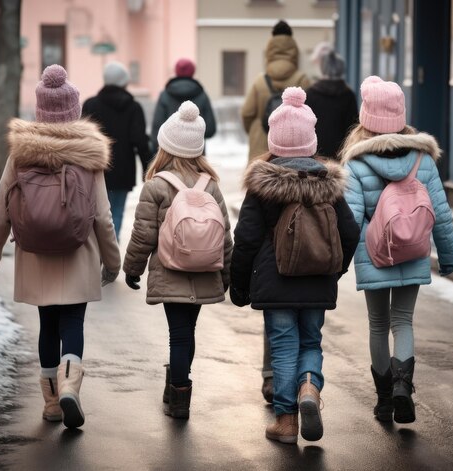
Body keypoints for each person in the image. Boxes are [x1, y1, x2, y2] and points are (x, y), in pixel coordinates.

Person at [0, 64, 121, 429]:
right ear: (73, 110)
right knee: (73, 320)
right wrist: (113, 262)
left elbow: (0, 214)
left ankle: (52, 403)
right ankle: (70, 384)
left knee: (47, 324)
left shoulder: (20, 155)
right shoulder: (89, 154)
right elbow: (103, 217)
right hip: (78, 253)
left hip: (35, 255)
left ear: (40, 110)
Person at [230, 87, 360, 443]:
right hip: (318, 280)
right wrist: (335, 268)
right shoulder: (328, 183)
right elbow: (349, 233)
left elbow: (247, 238)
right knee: (311, 342)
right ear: (311, 140)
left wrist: (238, 284)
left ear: (274, 139)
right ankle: (309, 389)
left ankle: (286, 422)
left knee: (284, 345)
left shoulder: (263, 183)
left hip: (276, 282)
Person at [340, 75, 453, 424]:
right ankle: (403, 387)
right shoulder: (423, 161)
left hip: (373, 255)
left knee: (378, 324)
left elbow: (348, 222)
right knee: (403, 321)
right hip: (414, 250)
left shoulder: (357, 164)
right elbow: (441, 214)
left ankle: (384, 401)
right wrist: (449, 257)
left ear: (366, 118)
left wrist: (339, 265)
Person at [123, 101, 233, 420]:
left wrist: (132, 269)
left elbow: (143, 234)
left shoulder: (157, 185)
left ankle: (179, 395)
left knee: (178, 333)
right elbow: (224, 234)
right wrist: (226, 275)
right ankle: (178, 386)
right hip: (204, 272)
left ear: (165, 147)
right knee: (189, 331)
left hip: (170, 271)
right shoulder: (210, 185)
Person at [240, 19, 311, 403]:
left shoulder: (260, 80)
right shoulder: (304, 77)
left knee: (270, 232)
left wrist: (239, 278)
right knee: (309, 332)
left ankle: (275, 384)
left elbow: (246, 115)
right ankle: (308, 386)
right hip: (305, 167)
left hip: (265, 162)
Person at [82, 61, 152, 241]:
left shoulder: (90, 105)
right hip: (123, 171)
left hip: (95, 170)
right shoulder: (133, 108)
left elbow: (82, 140)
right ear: (124, 82)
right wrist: (149, 171)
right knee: (117, 214)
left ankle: (98, 253)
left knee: (96, 215)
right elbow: (140, 141)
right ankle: (110, 255)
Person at [241, 20, 311, 163]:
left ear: (269, 50)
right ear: (294, 50)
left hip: (261, 146)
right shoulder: (302, 80)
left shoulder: (260, 81)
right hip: (293, 149)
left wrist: (259, 130)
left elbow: (246, 113)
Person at [150, 58, 216, 153]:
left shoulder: (165, 95)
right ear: (193, 72)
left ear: (176, 71)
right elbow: (210, 129)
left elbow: (157, 128)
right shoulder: (202, 95)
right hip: (196, 156)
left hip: (169, 154)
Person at [305, 50, 358, 160]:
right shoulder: (348, 95)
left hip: (314, 153)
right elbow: (353, 128)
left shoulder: (310, 93)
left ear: (322, 69)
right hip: (340, 155)